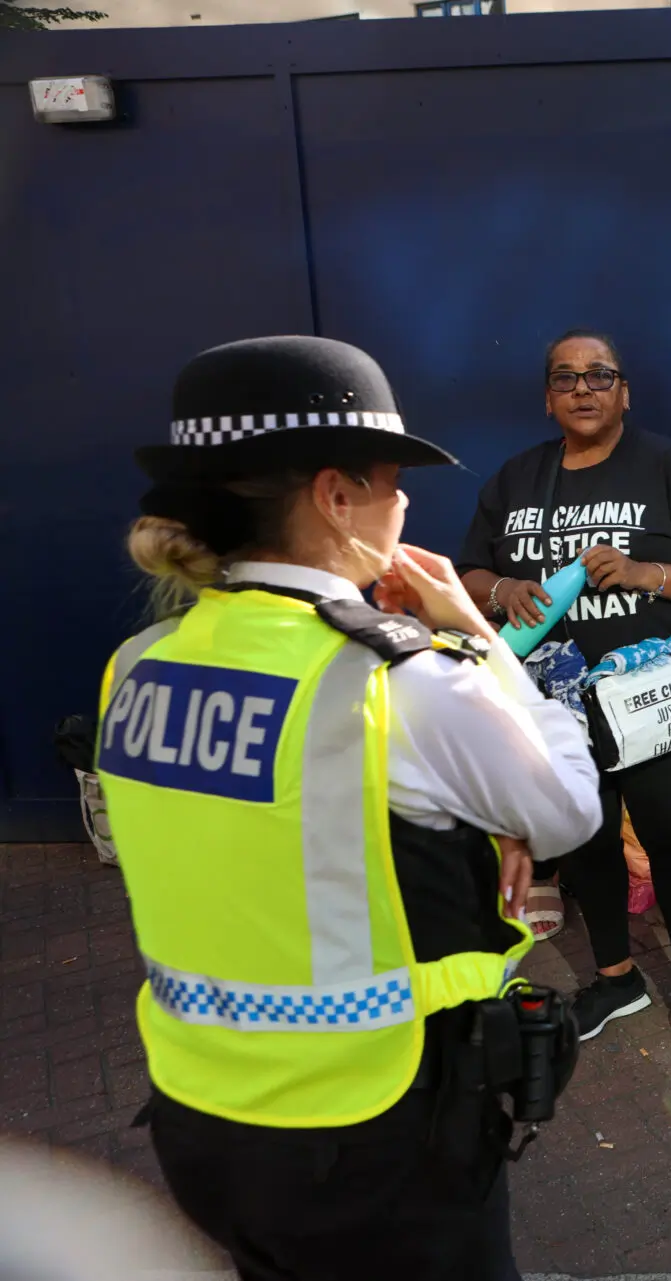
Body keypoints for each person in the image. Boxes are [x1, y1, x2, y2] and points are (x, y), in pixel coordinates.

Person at [96, 336, 602, 1280]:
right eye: (391, 478)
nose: (405, 500)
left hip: (197, 1118)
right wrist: (479, 634)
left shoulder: (140, 665)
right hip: (372, 1136)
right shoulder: (394, 679)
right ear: (335, 496)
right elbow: (568, 808)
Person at [458, 329, 671, 1053]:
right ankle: (616, 975)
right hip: (551, 704)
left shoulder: (666, 466)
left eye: (598, 375)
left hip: (644, 699)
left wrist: (647, 573)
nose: (582, 389)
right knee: (585, 838)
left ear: (624, 392)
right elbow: (466, 577)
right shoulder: (516, 478)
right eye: (565, 378)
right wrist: (503, 587)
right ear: (547, 397)